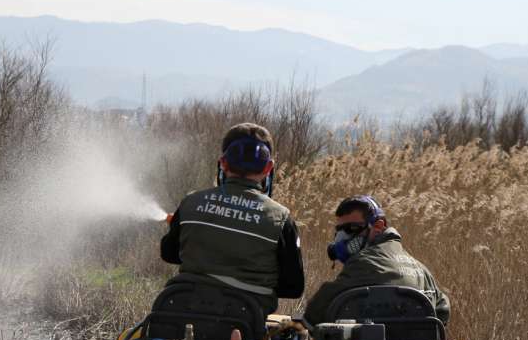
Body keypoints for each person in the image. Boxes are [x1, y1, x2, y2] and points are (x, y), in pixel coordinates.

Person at [160, 123, 305, 314]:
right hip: (246, 322)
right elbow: (294, 287)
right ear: (268, 168)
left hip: (182, 309)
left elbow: (169, 253)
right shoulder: (281, 219)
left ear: (223, 163)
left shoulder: (190, 203)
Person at [303, 195, 450, 325]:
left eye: (352, 229)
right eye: (339, 231)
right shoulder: (421, 269)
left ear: (378, 226)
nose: (342, 238)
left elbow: (317, 310)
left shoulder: (363, 262)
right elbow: (442, 310)